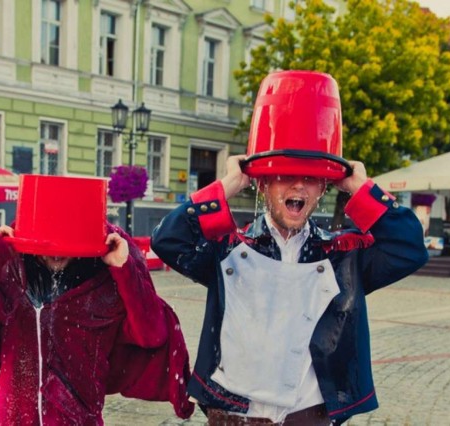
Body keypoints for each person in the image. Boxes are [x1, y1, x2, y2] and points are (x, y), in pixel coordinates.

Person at [151, 70, 429, 425]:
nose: (299, 185)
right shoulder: (228, 248)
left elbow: (409, 247)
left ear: (325, 187)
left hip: (308, 417)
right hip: (232, 415)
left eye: (312, 177)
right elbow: (168, 240)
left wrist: (361, 187)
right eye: (283, 175)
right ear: (263, 184)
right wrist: (227, 184)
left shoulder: (344, 255)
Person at [0, 214, 193, 423]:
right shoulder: (11, 281)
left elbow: (151, 332)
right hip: (11, 417)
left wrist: (124, 270)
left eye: (66, 244)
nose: (56, 253)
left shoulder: (103, 291)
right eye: (47, 244)